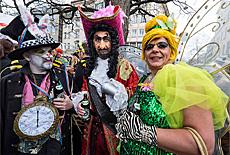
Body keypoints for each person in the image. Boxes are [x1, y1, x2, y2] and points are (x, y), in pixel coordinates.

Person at [115, 14, 228, 154]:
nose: (155, 49)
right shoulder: (144, 78)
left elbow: (204, 145)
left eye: (162, 45)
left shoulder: (184, 79)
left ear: (171, 50)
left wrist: (143, 132)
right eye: (149, 46)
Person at [0, 4, 75, 155]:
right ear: (26, 56)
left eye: (49, 51)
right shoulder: (8, 81)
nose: (48, 55)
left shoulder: (65, 77)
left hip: (54, 149)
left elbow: (80, 111)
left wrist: (71, 105)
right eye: (41, 52)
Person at [73, 3, 139, 155]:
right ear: (92, 42)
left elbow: (136, 96)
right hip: (91, 132)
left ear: (113, 41)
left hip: (115, 134)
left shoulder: (125, 67)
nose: (102, 45)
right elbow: (84, 92)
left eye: (106, 39)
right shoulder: (88, 67)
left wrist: (118, 93)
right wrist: (80, 105)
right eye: (97, 40)